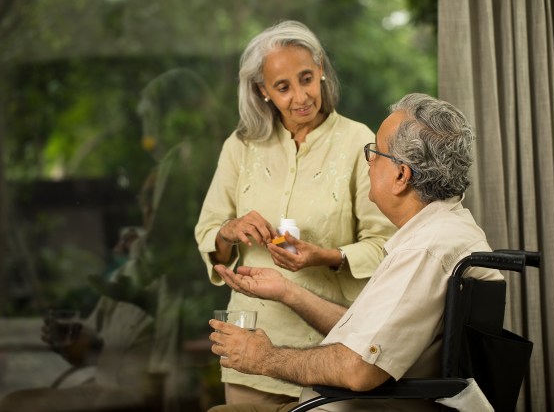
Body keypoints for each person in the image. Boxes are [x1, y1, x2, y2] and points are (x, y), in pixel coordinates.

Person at [206, 93, 505, 412]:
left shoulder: (426, 249)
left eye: (375, 152)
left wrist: (263, 358)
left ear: (401, 176)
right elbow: (369, 335)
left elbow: (358, 368)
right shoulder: (444, 232)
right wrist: (288, 292)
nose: (369, 160)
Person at [0, 68, 228, 412]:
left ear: (172, 111)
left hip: (167, 362)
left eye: (149, 114)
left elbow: (165, 253)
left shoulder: (183, 161)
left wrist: (137, 256)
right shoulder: (218, 155)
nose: (146, 129)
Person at [194, 20, 395, 404]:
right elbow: (209, 234)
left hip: (327, 352)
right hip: (248, 346)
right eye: (283, 87)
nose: (300, 96)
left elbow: (386, 245)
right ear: (262, 91)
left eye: (306, 78)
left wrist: (328, 256)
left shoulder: (358, 141)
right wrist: (228, 231)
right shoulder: (240, 146)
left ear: (320, 68)